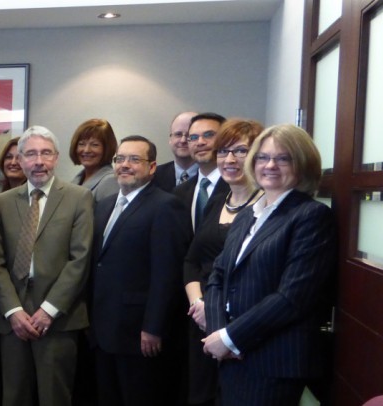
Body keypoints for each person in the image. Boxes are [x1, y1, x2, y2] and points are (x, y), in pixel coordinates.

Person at [203, 124, 337, 406]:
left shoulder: (310, 216)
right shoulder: (247, 215)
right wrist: (219, 336)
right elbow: (218, 277)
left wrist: (230, 338)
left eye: (283, 158)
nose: (270, 165)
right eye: (262, 157)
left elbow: (293, 297)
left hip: (272, 364)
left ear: (303, 164)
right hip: (232, 358)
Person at [0, 126, 93, 405]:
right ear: (19, 160)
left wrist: (48, 311)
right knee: (14, 396)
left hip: (58, 318)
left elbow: (80, 259)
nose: (39, 161)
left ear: (57, 158)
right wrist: (12, 310)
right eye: (31, 154)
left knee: (54, 396)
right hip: (13, 319)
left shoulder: (78, 197)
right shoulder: (2, 203)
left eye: (46, 153)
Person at [90, 135, 191, 406]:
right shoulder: (105, 205)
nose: (125, 165)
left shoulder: (165, 206)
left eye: (135, 159)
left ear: (152, 167)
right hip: (102, 329)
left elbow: (167, 274)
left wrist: (154, 327)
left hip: (139, 333)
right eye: (120, 159)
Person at [181, 119, 263, 406]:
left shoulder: (266, 209)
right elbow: (192, 260)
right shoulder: (217, 201)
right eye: (223, 152)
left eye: (240, 151)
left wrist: (212, 312)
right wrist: (198, 305)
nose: (229, 159)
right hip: (200, 321)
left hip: (240, 327)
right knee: (199, 397)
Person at [174, 112, 229, 231]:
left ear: (225, 140)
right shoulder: (179, 193)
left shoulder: (238, 188)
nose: (200, 142)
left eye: (209, 135)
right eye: (193, 137)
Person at [69, 118, 119, 202]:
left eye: (94, 145)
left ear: (107, 148)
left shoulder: (111, 181)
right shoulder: (78, 179)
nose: (86, 150)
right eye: (81, 144)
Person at [153, 111, 199, 192]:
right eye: (178, 134)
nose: (183, 140)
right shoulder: (153, 176)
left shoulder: (213, 176)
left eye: (189, 135)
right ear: (170, 139)